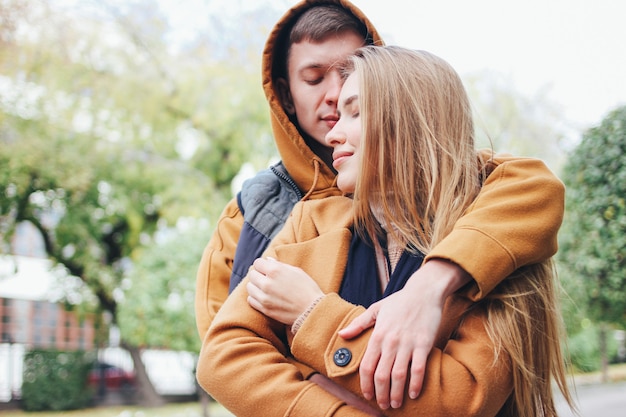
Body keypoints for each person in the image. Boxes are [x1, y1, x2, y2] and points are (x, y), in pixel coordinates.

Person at [194, 0, 566, 408]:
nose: (334, 104)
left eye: (354, 107)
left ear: (405, 113)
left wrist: (316, 315)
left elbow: (459, 398)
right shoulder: (286, 215)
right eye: (315, 78)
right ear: (285, 93)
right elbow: (228, 360)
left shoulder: (493, 227)